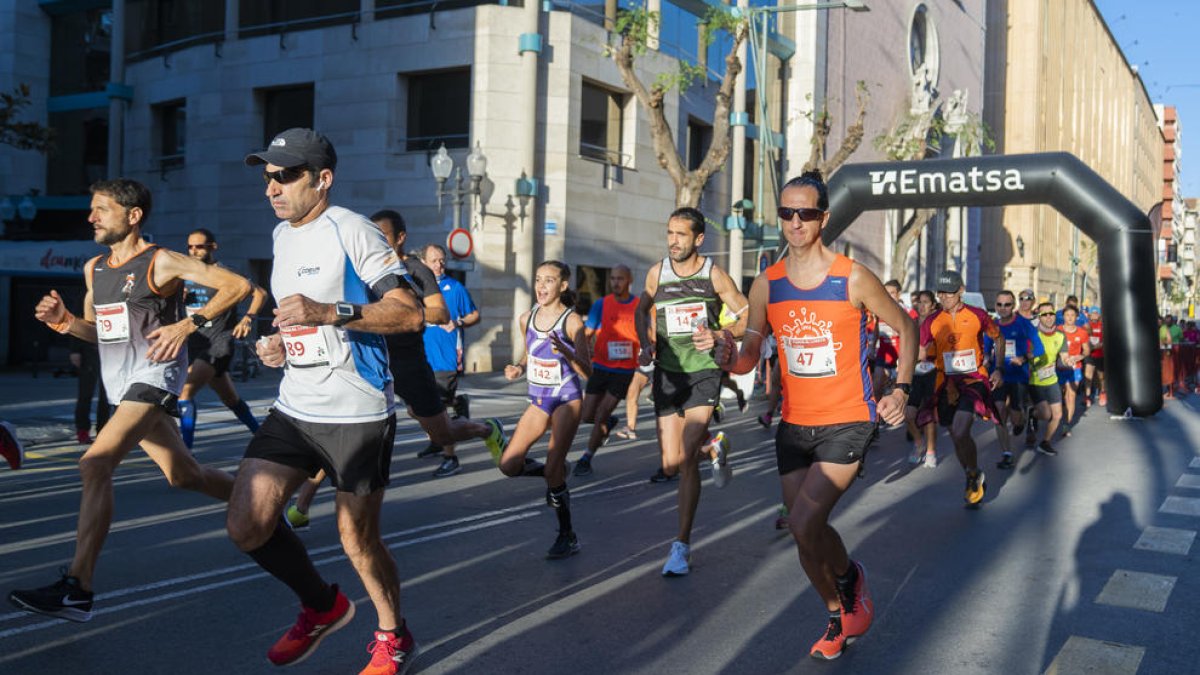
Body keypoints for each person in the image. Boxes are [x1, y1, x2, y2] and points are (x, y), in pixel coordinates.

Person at [228, 128, 423, 673]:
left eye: (286, 175)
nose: (273, 187)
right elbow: (300, 319)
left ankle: (392, 635)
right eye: (268, 176)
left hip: (355, 412)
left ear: (323, 180)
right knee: (246, 523)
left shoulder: (353, 230)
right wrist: (279, 345)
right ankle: (321, 605)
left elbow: (409, 313)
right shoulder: (282, 236)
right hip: (295, 406)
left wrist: (329, 311)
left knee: (356, 539)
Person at [9, 178, 248, 622]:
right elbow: (101, 331)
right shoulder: (94, 269)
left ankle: (77, 589)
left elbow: (236, 286)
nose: (91, 217)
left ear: (133, 215)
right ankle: (259, 503)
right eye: (91, 209)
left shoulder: (162, 261)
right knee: (184, 475)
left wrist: (187, 325)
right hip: (122, 385)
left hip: (154, 377)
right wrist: (64, 324)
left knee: (94, 463)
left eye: (101, 209)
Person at [711, 170, 916, 660]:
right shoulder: (767, 285)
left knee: (803, 523)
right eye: (786, 213)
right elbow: (750, 356)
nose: (795, 222)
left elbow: (907, 327)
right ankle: (837, 607)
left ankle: (846, 584)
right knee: (807, 534)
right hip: (794, 424)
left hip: (848, 419)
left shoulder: (852, 277)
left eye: (805, 213)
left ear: (823, 217)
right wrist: (726, 355)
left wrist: (904, 389)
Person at [285, 210, 505, 526]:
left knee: (442, 433)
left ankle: (487, 429)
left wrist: (403, 312)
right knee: (340, 429)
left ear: (400, 238)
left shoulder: (416, 271)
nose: (374, 241)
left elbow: (440, 314)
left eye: (382, 236)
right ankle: (302, 504)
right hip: (367, 360)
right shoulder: (359, 269)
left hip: (408, 363)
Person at [635, 206, 748, 576]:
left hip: (703, 372)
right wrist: (645, 342)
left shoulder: (713, 274)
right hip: (668, 373)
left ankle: (680, 547)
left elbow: (747, 314)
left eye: (681, 235)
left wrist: (720, 334)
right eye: (669, 233)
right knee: (671, 462)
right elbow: (641, 310)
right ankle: (713, 447)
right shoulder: (657, 273)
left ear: (698, 239)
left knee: (685, 459)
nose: (673, 241)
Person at [498, 260, 592, 558]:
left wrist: (567, 351)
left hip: (566, 398)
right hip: (539, 398)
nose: (541, 286)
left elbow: (588, 371)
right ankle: (555, 473)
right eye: (538, 279)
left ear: (562, 286)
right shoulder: (526, 317)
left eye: (548, 280)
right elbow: (529, 353)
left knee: (553, 466)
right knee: (509, 465)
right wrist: (517, 367)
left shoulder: (572, 321)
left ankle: (568, 534)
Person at [178, 228, 269, 449]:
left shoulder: (224, 274)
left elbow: (260, 293)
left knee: (185, 392)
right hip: (195, 342)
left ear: (212, 247)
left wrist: (248, 317)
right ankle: (262, 439)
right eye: (190, 247)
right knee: (231, 400)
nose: (193, 251)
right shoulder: (186, 275)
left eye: (199, 246)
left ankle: (186, 451)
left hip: (218, 342)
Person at [918, 270, 1002, 507]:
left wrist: (998, 369)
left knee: (961, 428)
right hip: (945, 384)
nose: (944, 297)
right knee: (955, 434)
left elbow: (998, 338)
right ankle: (972, 474)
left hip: (974, 380)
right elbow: (923, 350)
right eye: (941, 293)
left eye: (949, 293)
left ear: (961, 291)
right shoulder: (932, 321)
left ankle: (973, 473)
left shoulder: (978, 315)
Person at [417, 243, 481, 478]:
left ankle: (450, 458)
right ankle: (456, 407)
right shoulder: (417, 289)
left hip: (446, 359)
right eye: (434, 260)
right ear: (423, 262)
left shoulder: (454, 288)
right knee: (418, 407)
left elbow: (474, 314)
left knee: (437, 410)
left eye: (442, 260)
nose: (439, 264)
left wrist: (459, 322)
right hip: (421, 358)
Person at [573, 265, 638, 476]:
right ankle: (608, 423)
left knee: (601, 414)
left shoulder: (638, 306)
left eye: (620, 279)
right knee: (586, 415)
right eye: (613, 279)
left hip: (624, 371)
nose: (616, 283)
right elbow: (587, 332)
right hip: (600, 367)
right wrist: (580, 356)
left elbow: (649, 334)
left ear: (629, 280)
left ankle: (586, 458)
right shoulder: (602, 304)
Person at [993, 289, 1043, 470]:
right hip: (998, 375)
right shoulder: (992, 325)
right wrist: (983, 358)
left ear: (1013, 306)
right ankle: (1007, 453)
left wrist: (1023, 358)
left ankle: (1024, 419)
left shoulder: (1023, 324)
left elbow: (1039, 348)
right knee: (998, 412)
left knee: (1015, 418)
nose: (1003, 308)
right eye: (999, 304)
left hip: (1018, 376)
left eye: (1007, 304)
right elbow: (983, 346)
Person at [1028, 302, 1070, 454]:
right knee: (1046, 415)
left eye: (1051, 314)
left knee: (1057, 415)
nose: (1048, 317)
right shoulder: (1033, 335)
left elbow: (1064, 356)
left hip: (1052, 379)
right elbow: (1026, 354)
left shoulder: (1060, 335)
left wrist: (1069, 360)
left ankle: (1045, 443)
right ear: (1039, 317)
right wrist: (1028, 356)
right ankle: (1032, 415)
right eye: (1044, 314)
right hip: (1035, 381)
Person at [904, 290, 938, 468]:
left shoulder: (937, 322)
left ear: (933, 305)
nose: (922, 305)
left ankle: (931, 452)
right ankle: (919, 444)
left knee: (928, 414)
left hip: (933, 372)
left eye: (926, 302)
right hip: (914, 373)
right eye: (920, 302)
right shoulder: (911, 323)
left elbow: (925, 352)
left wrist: (916, 353)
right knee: (908, 412)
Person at [1057, 305, 1088, 435]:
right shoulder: (1057, 330)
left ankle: (1067, 425)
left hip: (1075, 368)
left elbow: (1087, 349)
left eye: (1072, 315)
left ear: (1077, 317)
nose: (1069, 318)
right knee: (1058, 397)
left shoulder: (1082, 332)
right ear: (1063, 317)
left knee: (1071, 395)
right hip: (1058, 367)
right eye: (1067, 315)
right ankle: (1057, 418)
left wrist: (1080, 356)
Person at [70, 341, 110, 444]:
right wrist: (75, 349)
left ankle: (103, 430)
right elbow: (77, 325)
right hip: (89, 347)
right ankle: (82, 430)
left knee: (108, 395)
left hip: (112, 348)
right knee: (85, 393)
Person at [872, 279, 904, 399]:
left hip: (899, 355)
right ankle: (875, 414)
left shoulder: (906, 311)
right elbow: (876, 329)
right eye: (886, 292)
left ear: (899, 294)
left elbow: (911, 334)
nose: (888, 296)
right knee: (877, 383)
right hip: (883, 354)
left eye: (892, 293)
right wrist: (871, 346)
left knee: (896, 389)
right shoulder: (879, 310)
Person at [1083, 306, 1105, 407]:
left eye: (1096, 313)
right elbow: (1084, 338)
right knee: (1088, 375)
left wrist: (1100, 345)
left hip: (1100, 354)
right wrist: (1089, 346)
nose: (1094, 315)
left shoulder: (1103, 325)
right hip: (1090, 354)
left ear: (1099, 315)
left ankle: (1103, 392)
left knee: (1101, 376)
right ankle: (1087, 397)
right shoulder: (1087, 325)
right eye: (1093, 313)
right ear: (1090, 315)